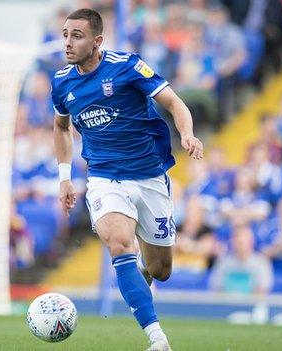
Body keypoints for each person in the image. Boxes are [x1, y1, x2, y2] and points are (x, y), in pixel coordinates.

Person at [52, 9, 203, 351]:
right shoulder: (62, 81)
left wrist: (188, 134)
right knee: (119, 244)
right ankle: (157, 338)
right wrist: (64, 178)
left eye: (76, 35)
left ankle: (143, 271)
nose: (68, 42)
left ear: (97, 40)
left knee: (161, 269)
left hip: (150, 176)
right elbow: (61, 127)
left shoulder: (128, 66)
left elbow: (174, 103)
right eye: (65, 34)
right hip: (105, 178)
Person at [209, 225, 273, 295]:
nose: (241, 246)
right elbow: (216, 288)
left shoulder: (261, 262)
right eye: (239, 242)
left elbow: (263, 291)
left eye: (243, 242)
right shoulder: (223, 262)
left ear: (251, 242)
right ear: (232, 242)